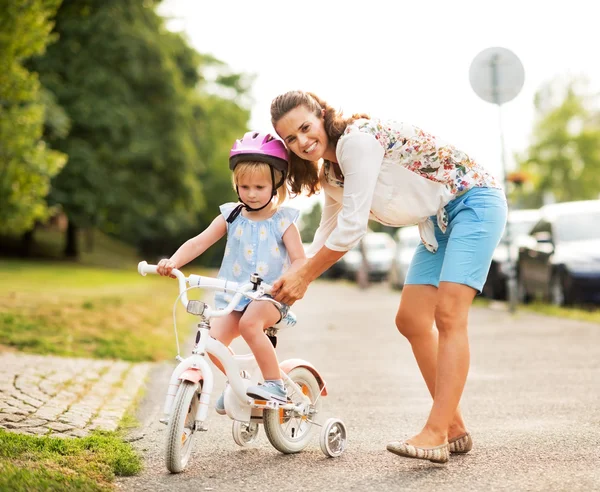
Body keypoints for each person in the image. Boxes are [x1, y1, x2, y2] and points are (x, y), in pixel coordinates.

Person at [269, 90, 507, 464]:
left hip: (473, 201)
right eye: (290, 138)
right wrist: (285, 277)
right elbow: (323, 237)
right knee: (411, 320)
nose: (302, 141)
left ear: (321, 115)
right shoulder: (332, 173)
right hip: (437, 221)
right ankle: (455, 427)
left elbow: (351, 230)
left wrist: (306, 279)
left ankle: (436, 432)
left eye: (305, 127)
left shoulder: (357, 142)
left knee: (448, 315)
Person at [157, 131, 305, 412]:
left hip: (270, 297)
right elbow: (198, 242)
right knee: (211, 342)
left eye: (260, 187)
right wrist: (173, 261)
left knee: (251, 325)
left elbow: (300, 260)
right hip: (235, 297)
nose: (251, 193)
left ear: (276, 183)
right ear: (236, 184)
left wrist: (287, 281)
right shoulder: (231, 215)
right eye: (244, 186)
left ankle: (275, 383)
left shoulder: (283, 221)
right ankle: (240, 382)